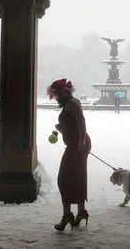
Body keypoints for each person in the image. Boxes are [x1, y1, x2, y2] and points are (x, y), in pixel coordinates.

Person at [48, 78, 91, 231]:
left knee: (64, 179)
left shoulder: (72, 103)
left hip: (77, 145)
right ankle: (81, 212)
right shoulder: (69, 103)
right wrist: (63, 127)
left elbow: (81, 121)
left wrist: (80, 141)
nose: (56, 98)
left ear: (64, 92)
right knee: (77, 176)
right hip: (76, 144)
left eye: (57, 94)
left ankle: (68, 215)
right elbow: (73, 122)